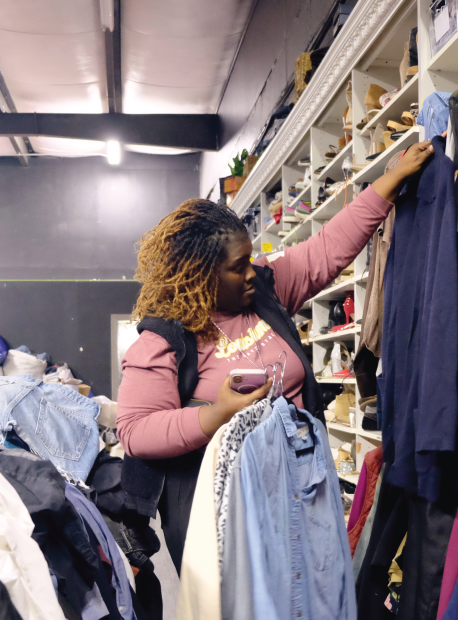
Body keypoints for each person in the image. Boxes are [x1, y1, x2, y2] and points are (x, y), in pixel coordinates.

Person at [116, 141, 434, 569]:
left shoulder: (265, 292)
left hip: (301, 492)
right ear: (201, 273)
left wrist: (388, 184)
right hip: (223, 517)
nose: (252, 272)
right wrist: (215, 415)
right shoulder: (163, 339)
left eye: (251, 259)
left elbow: (325, 249)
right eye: (238, 266)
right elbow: (135, 431)